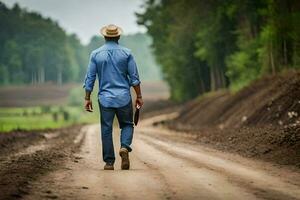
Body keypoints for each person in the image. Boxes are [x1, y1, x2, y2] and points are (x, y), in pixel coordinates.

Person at [83, 24, 143, 170]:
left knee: (106, 128)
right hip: (123, 97)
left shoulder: (95, 54)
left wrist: (87, 98)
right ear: (118, 37)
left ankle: (109, 163)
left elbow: (90, 78)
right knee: (127, 124)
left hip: (105, 99)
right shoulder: (127, 53)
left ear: (105, 37)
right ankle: (124, 147)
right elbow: (134, 78)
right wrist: (139, 96)